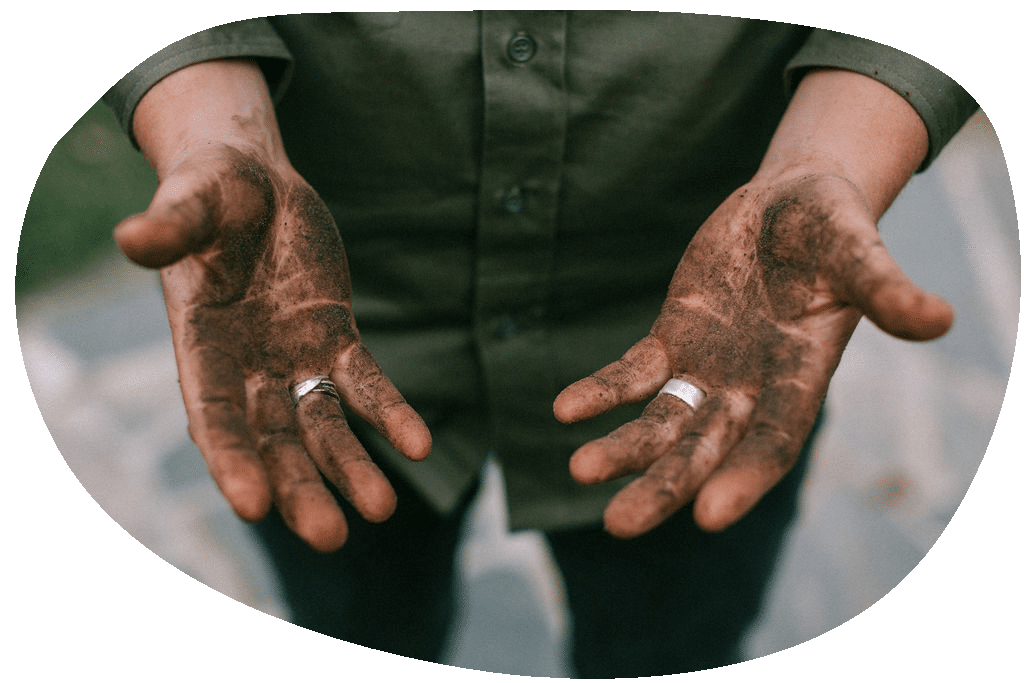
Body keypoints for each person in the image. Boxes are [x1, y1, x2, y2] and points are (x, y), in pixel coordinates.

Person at [103, 12, 977, 677]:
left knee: (670, 643)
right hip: (315, 320)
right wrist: (208, 119)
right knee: (360, 623)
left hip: (706, 325)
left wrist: (840, 151)